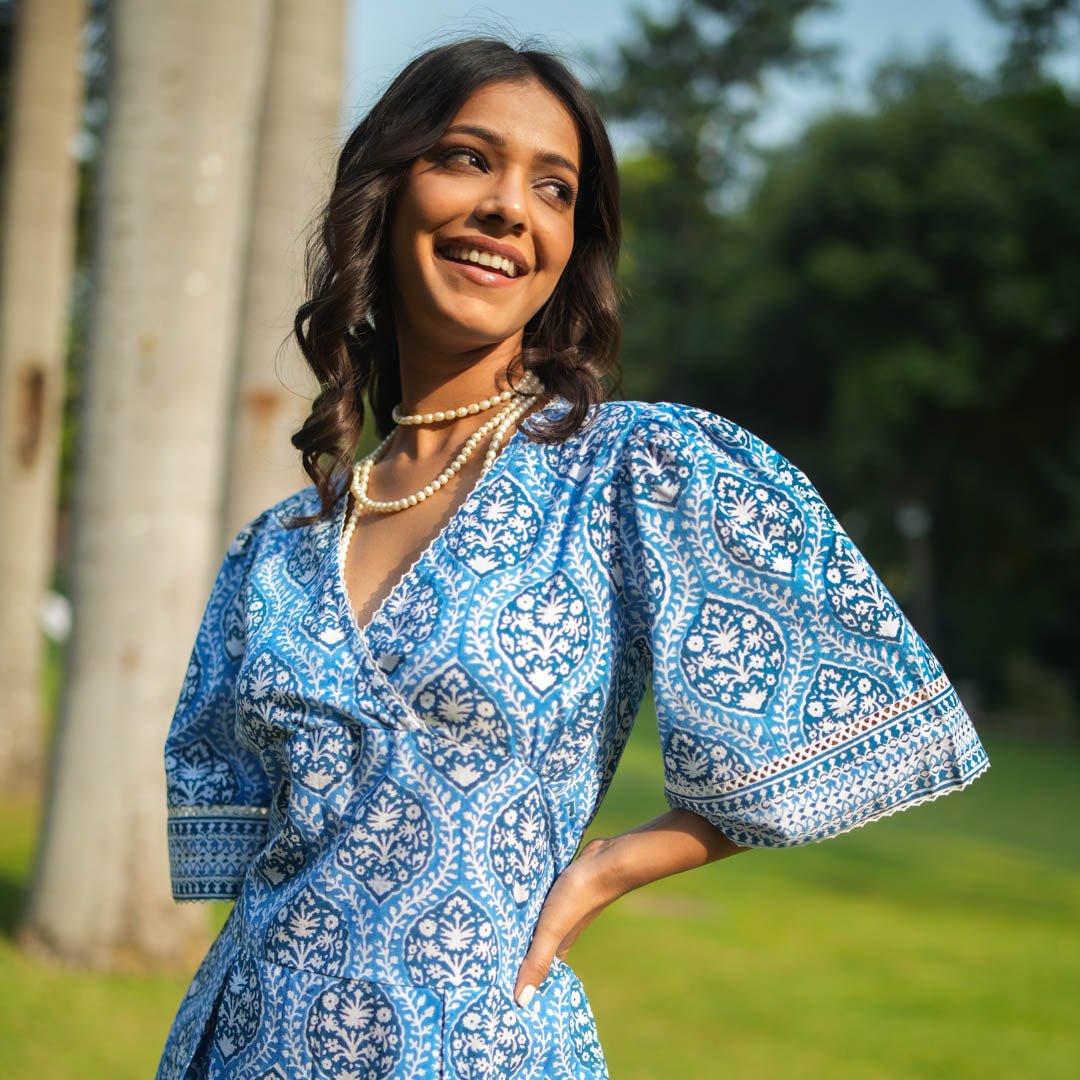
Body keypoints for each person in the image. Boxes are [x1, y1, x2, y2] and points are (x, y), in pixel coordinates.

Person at [156, 37, 990, 1080]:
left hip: (484, 1048)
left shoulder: (633, 471)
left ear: (568, 245)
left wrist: (612, 867)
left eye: (554, 187)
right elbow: (237, 859)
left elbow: (861, 698)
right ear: (385, 190)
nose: (511, 207)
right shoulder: (273, 555)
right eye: (468, 158)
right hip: (248, 1043)